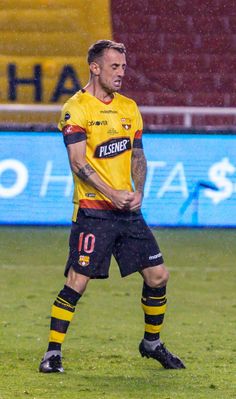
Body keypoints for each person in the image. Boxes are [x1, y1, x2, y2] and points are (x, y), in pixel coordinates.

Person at [39, 39, 185, 373]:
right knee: (77, 281)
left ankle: (152, 344)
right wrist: (110, 192)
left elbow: (138, 154)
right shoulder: (75, 109)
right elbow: (78, 163)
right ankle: (52, 353)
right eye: (114, 66)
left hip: (128, 213)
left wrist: (139, 191)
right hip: (93, 212)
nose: (121, 73)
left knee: (158, 275)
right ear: (95, 67)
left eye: (123, 66)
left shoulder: (129, 107)